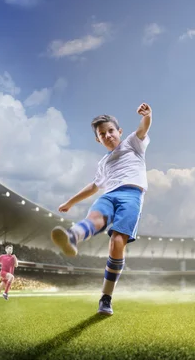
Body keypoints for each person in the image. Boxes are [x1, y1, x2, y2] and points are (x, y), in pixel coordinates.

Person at [51, 103, 152, 316]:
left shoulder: (132, 144)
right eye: (102, 134)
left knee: (116, 244)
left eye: (111, 131)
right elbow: (94, 186)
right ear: (98, 139)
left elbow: (144, 128)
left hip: (131, 195)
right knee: (96, 218)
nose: (107, 135)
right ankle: (72, 236)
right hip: (108, 195)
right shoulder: (103, 163)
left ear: (120, 132)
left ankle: (106, 298)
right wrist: (70, 202)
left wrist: (147, 116)